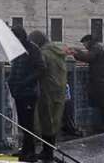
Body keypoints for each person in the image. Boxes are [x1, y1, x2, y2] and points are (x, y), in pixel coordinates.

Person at [6, 26, 43, 162]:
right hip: (18, 92)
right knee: (23, 122)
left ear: (20, 37)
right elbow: (15, 68)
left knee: (28, 123)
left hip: (28, 92)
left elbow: (41, 68)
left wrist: (25, 82)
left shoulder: (32, 49)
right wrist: (11, 82)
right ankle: (27, 150)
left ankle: (30, 153)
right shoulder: (17, 49)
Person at [30, 31, 66, 162]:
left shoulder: (44, 53)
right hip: (58, 91)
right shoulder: (57, 52)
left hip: (47, 91)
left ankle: (47, 152)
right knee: (54, 121)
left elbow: (40, 68)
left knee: (46, 121)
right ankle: (49, 151)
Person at [69, 34, 104, 134]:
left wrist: (75, 53)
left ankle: (103, 125)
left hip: (100, 81)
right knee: (103, 104)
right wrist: (78, 52)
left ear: (88, 42)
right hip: (101, 80)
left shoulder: (96, 48)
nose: (84, 46)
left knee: (102, 104)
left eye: (84, 44)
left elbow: (88, 57)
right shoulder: (97, 47)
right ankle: (103, 125)